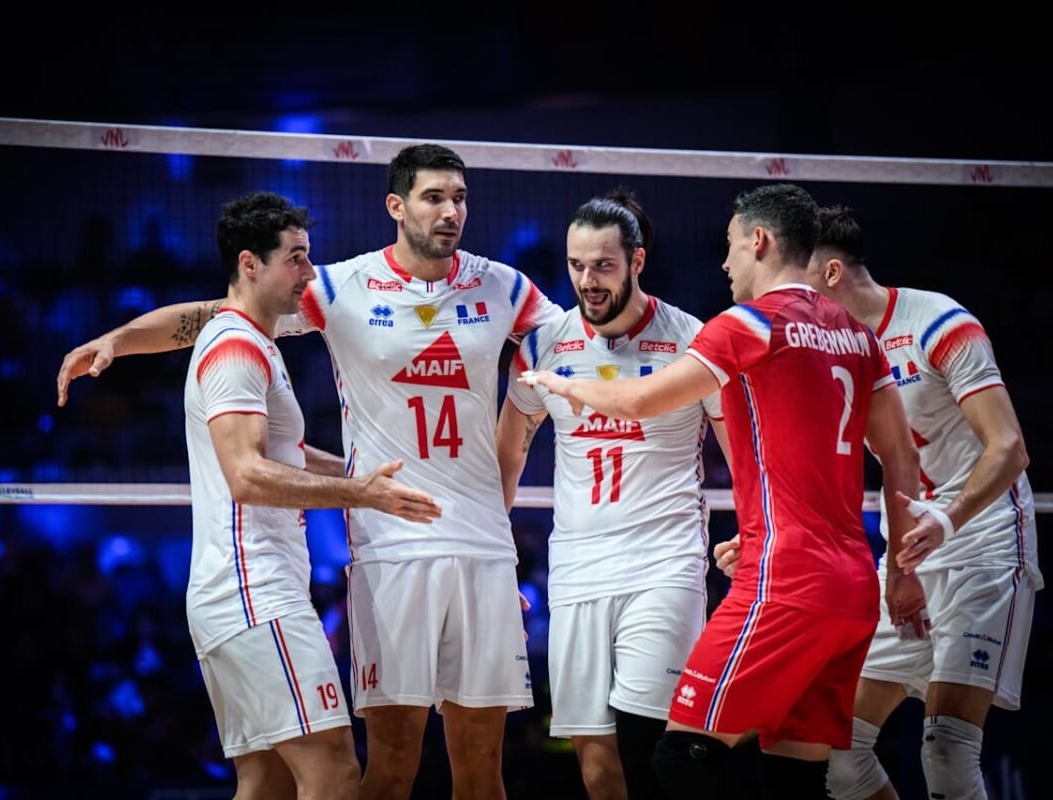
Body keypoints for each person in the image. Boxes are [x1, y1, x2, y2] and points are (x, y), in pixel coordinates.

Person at [57, 145, 562, 799]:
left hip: (469, 547)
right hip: (359, 558)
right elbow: (216, 316)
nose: (450, 210)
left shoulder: (504, 285)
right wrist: (120, 340)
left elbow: (574, 342)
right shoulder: (318, 299)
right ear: (397, 205)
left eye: (459, 197)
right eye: (434, 196)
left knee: (454, 765)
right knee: (369, 765)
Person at [521, 183, 946, 800]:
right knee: (796, 778)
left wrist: (561, 385)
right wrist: (902, 570)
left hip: (783, 580)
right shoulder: (859, 336)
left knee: (681, 756)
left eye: (730, 246)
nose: (724, 263)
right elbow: (902, 458)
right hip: (855, 583)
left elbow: (640, 400)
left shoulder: (743, 324)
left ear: (760, 241)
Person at [177, 191, 440, 799]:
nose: (308, 274)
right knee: (335, 769)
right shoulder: (236, 347)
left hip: (239, 597)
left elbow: (282, 457)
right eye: (295, 259)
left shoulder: (252, 342)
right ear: (250, 264)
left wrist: (372, 475)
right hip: (254, 593)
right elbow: (246, 474)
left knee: (265, 781)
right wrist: (360, 494)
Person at [496, 190, 732, 800]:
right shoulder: (546, 343)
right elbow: (511, 448)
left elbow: (742, 457)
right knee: (596, 763)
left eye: (603, 265)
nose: (587, 280)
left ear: (637, 262)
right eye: (577, 265)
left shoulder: (692, 340)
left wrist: (755, 535)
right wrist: (497, 553)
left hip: (665, 563)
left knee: (654, 743)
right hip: (577, 567)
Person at [805, 205, 1041, 800]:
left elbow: (1009, 447)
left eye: (794, 274)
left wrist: (946, 518)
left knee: (946, 751)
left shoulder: (938, 322)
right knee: (838, 751)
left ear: (831, 273)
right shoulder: (831, 352)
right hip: (911, 553)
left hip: (982, 541)